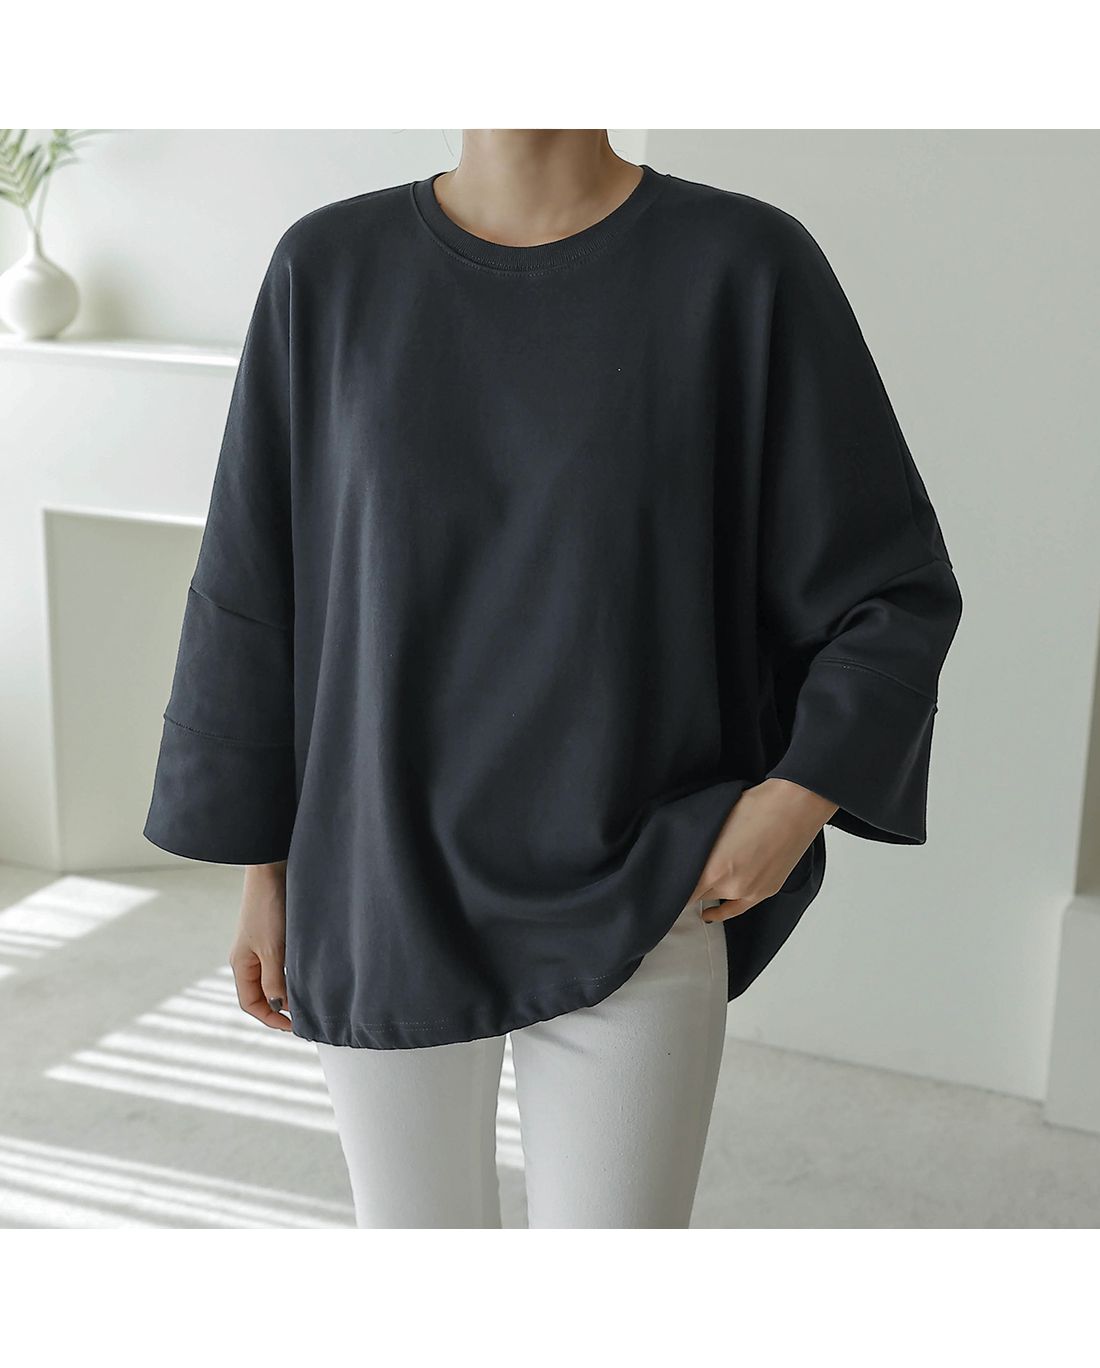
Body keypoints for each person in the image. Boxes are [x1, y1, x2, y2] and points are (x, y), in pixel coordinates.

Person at [143, 129, 964, 1228]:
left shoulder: (742, 265)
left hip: (644, 879)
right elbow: (255, 587)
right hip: (379, 877)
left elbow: (888, 581)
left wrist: (795, 797)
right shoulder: (328, 268)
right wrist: (268, 866)